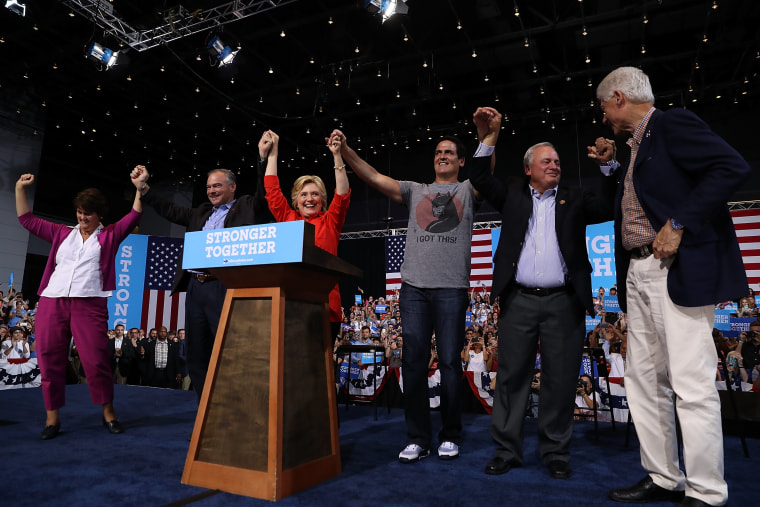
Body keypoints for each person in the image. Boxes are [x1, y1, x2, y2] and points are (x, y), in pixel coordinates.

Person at [592, 66, 751, 507]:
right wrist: (611, 167)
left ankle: (706, 491)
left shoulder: (671, 124)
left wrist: (679, 222)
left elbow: (730, 166)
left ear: (619, 97)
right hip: (638, 273)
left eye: (604, 106)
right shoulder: (636, 147)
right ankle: (663, 476)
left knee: (691, 384)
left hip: (676, 271)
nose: (603, 117)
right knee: (643, 382)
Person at [468, 107, 616, 479]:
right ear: (529, 168)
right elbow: (478, 177)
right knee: (512, 377)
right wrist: (490, 137)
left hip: (564, 302)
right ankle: (506, 450)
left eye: (557, 161)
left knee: (561, 378)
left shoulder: (574, 197)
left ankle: (555, 452)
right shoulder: (514, 194)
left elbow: (608, 203)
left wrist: (609, 166)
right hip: (518, 300)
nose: (555, 165)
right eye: (546, 161)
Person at [331, 122, 480, 464]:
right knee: (412, 364)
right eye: (439, 152)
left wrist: (488, 136)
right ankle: (417, 438)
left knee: (449, 364)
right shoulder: (415, 190)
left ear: (460, 162)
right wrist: (345, 150)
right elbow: (371, 176)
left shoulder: (469, 191)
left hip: (451, 289)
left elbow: (487, 168)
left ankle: (450, 434)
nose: (443, 156)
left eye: (449, 153)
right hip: (413, 289)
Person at [130, 160, 271, 400]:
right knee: (196, 354)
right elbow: (170, 210)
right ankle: (206, 411)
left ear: (232, 187)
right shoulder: (201, 212)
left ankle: (233, 408)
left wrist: (264, 160)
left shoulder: (246, 207)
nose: (212, 191)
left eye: (217, 186)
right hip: (196, 288)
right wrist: (144, 188)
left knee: (228, 350)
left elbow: (264, 194)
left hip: (224, 287)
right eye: (208, 187)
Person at [16, 173, 142, 439]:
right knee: (49, 358)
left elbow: (133, 217)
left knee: (96, 361)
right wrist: (19, 188)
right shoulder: (61, 233)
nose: (83, 217)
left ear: (99, 215)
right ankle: (52, 420)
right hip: (53, 301)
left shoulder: (109, 235)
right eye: (79, 212)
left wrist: (140, 190)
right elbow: (26, 219)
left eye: (88, 213)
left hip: (91, 303)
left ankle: (109, 414)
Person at [260, 129, 350, 330]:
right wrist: (273, 154)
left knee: (322, 362)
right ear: (296, 200)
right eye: (304, 194)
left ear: (323, 199)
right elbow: (272, 190)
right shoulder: (287, 218)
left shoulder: (331, 221)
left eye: (315, 194)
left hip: (325, 305)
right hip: (291, 303)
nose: (309, 199)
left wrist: (337, 155)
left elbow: (342, 195)